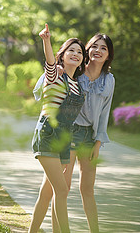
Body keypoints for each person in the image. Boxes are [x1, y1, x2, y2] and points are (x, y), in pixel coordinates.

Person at [29, 34, 115, 233]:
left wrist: (98, 142)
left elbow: (105, 112)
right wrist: (47, 42)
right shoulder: (68, 72)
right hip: (63, 133)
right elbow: (50, 70)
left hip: (84, 136)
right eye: (94, 46)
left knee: (74, 190)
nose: (98, 51)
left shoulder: (103, 80)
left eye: (103, 48)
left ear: (109, 54)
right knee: (59, 189)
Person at [30, 23, 87, 233]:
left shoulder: (77, 83)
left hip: (63, 139)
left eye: (79, 52)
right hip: (47, 134)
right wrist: (46, 41)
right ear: (62, 55)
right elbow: (50, 63)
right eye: (71, 50)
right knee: (62, 191)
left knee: (48, 193)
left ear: (82, 59)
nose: (75, 53)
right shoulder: (54, 76)